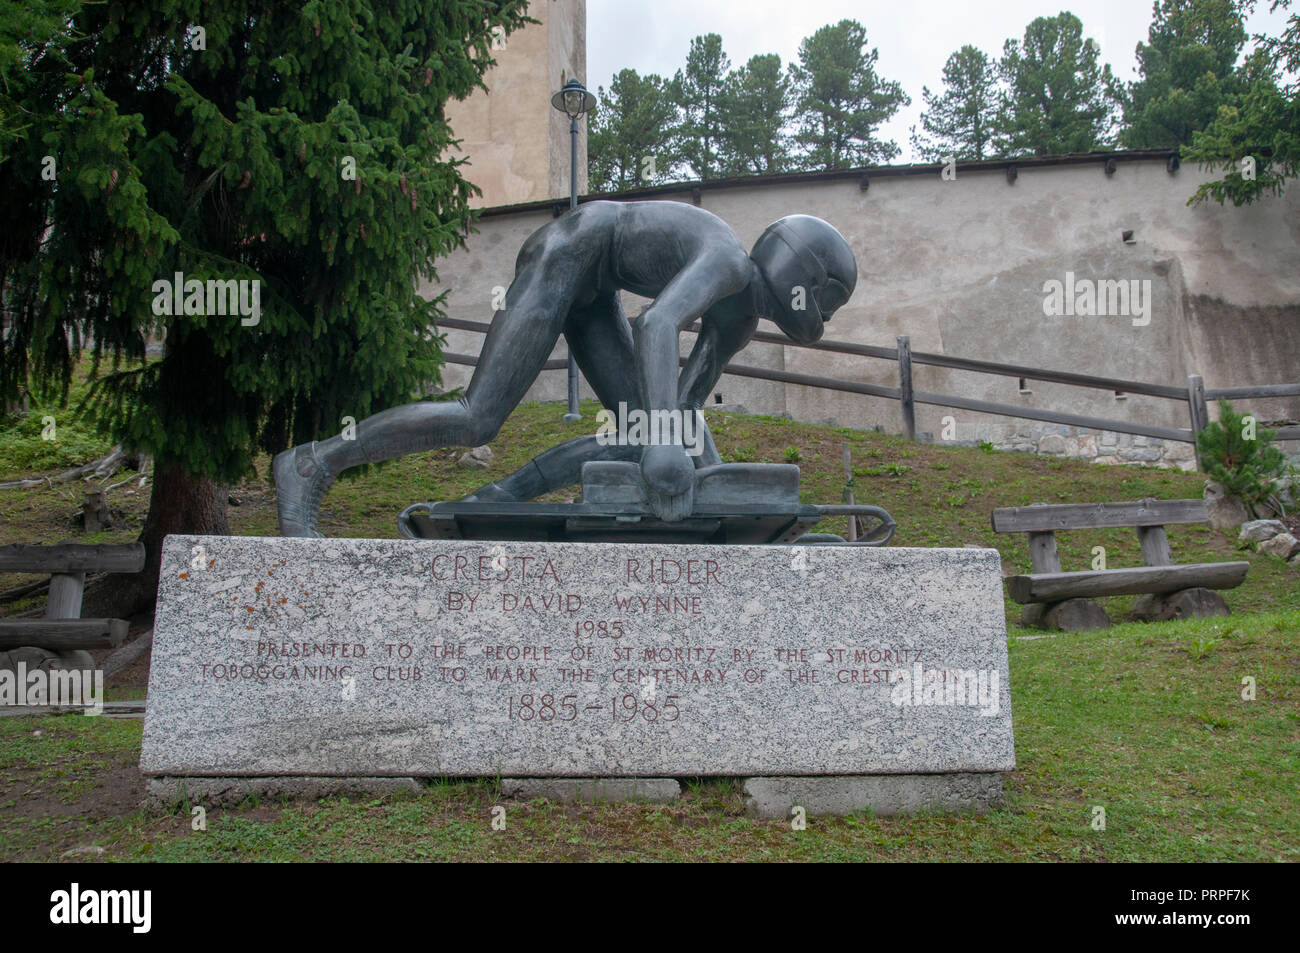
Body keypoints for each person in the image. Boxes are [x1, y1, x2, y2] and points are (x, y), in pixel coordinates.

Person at [275, 199, 857, 536]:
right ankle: (313, 463)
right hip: (568, 254)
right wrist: (663, 443)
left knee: (648, 433)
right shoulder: (727, 263)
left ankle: (494, 496)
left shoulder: (738, 321)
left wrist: (726, 501)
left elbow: (680, 416)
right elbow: (654, 325)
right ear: (801, 286)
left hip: (595, 291)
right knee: (477, 418)